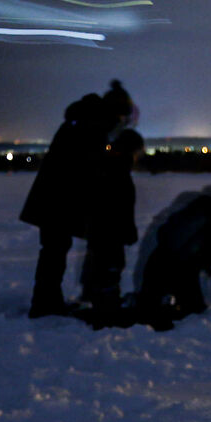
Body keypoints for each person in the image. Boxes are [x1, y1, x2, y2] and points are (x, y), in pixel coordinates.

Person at [20, 80, 134, 317]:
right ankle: (45, 305)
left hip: (55, 198)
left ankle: (47, 302)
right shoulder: (94, 126)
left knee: (53, 250)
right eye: (124, 117)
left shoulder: (83, 120)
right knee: (54, 251)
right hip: (59, 200)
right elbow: (89, 171)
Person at [135, 186, 211, 327]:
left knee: (152, 303)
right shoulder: (205, 228)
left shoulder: (178, 218)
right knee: (193, 308)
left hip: (158, 266)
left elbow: (161, 236)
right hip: (178, 272)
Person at [80, 128, 144, 322]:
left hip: (100, 231)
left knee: (101, 266)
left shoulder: (106, 166)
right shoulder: (118, 171)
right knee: (109, 267)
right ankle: (106, 306)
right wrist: (128, 230)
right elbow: (121, 207)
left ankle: (100, 300)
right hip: (109, 233)